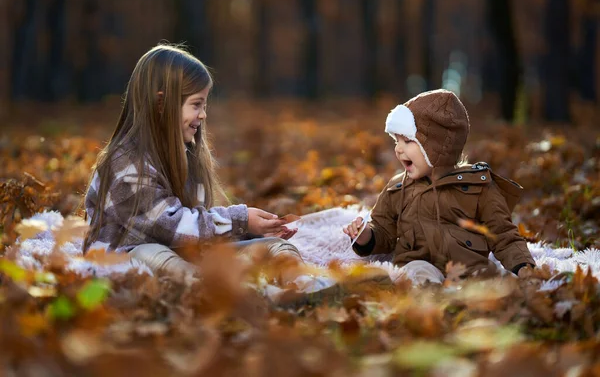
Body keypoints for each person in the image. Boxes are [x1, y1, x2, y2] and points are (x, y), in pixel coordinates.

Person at [82, 44, 335, 301]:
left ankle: (305, 287)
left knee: (275, 248)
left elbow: (198, 225)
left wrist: (253, 232)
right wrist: (240, 220)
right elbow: (171, 225)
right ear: (161, 104)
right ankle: (245, 295)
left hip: (185, 253)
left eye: (204, 105)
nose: (203, 114)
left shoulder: (186, 154)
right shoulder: (125, 163)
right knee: (154, 256)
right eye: (196, 104)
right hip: (127, 258)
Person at [343, 89, 535, 285]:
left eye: (408, 141)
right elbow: (383, 229)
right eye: (397, 140)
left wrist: (524, 267)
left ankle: (476, 300)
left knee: (489, 281)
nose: (398, 149)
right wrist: (366, 235)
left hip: (468, 268)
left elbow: (503, 234)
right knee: (416, 273)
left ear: (437, 146)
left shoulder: (478, 186)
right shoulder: (397, 188)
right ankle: (430, 300)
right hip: (419, 265)